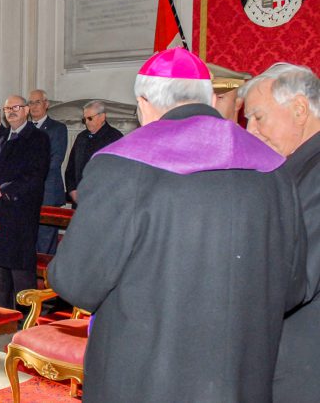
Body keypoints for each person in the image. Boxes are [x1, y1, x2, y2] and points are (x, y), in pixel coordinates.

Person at [47, 48, 307, 401]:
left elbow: (77, 282)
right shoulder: (274, 167)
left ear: (144, 102)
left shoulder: (121, 165)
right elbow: (292, 288)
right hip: (243, 377)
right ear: (208, 96)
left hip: (146, 380)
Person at [240, 63, 320, 403]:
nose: (251, 130)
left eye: (258, 118)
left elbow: (294, 279)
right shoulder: (295, 170)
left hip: (303, 364)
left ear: (300, 109)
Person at [0, 95, 49, 310]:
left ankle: (25, 316)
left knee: (20, 270)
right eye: (7, 108)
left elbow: (35, 175)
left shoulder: (37, 138)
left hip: (20, 212)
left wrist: (3, 190)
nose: (11, 111)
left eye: (16, 107)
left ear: (26, 110)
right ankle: (4, 312)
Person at [27, 89, 68, 255]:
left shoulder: (57, 128)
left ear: (46, 104)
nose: (34, 106)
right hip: (27, 191)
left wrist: (29, 177)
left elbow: (55, 160)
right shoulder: (25, 128)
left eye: (38, 102)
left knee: (45, 239)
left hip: (47, 191)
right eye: (31, 102)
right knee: (28, 238)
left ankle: (46, 279)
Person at [63, 100, 123, 207]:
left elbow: (118, 174)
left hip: (103, 202)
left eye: (90, 118)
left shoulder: (115, 138)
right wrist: (72, 191)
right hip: (79, 199)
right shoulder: (81, 137)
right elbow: (70, 168)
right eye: (84, 119)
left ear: (102, 117)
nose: (86, 122)